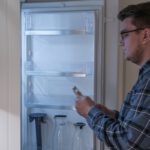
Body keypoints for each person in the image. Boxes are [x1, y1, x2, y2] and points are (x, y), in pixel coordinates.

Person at [75, 2, 150, 150]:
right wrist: (111, 115)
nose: (121, 43)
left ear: (145, 35)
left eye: (125, 35)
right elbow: (142, 130)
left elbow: (129, 143)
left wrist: (90, 112)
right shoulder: (145, 75)